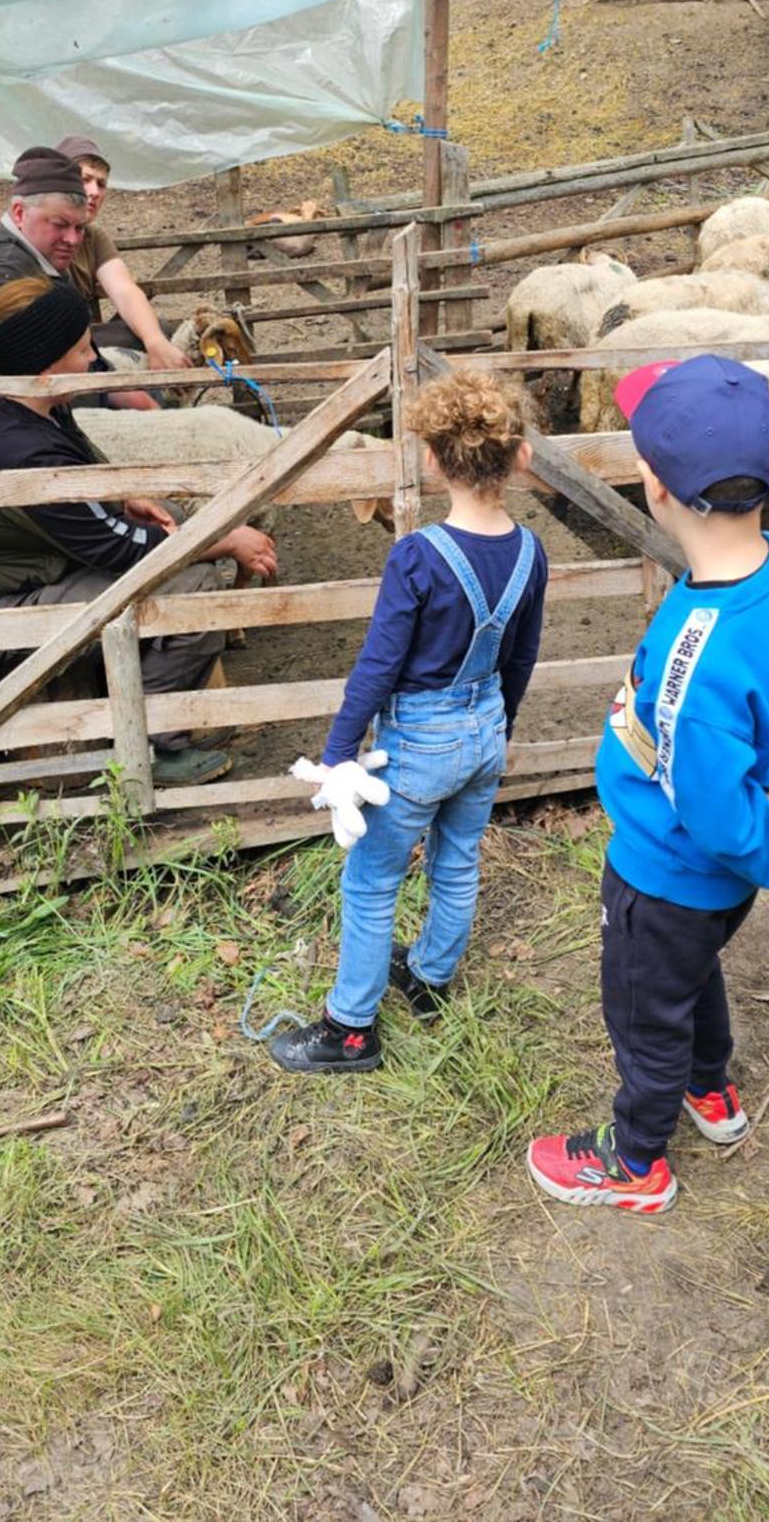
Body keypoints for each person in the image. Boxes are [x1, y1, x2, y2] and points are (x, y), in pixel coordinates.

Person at [526, 355, 769, 1215]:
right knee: (690, 970)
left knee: (643, 1011)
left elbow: (715, 818)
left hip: (662, 870)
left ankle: (636, 1162)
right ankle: (712, 1090)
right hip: (711, 889)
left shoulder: (696, 658)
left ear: (652, 487)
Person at [268, 371, 548, 1075]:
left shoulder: (418, 556)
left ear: (431, 459)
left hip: (418, 744)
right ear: (520, 457)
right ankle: (430, 978)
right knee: (456, 861)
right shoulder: (530, 554)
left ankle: (351, 1030)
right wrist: (497, 729)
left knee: (370, 881)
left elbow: (378, 665)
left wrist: (339, 755)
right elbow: (522, 655)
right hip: (484, 727)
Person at [0, 275, 278, 788]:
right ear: (46, 363)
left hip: (25, 569)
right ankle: (152, 749)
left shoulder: (10, 402)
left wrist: (121, 494)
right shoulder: (23, 454)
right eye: (81, 347)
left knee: (174, 534)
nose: (94, 357)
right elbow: (117, 549)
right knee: (194, 591)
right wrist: (222, 543)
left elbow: (80, 474)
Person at [0, 146, 182, 400]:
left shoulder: (39, 255)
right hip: (24, 416)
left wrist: (117, 392)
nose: (73, 239)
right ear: (20, 213)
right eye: (60, 225)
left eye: (79, 228)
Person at [52, 135, 178, 363]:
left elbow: (124, 290)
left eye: (101, 184)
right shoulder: (40, 232)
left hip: (80, 341)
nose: (94, 192)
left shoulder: (93, 237)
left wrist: (154, 340)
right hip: (44, 348)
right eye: (85, 179)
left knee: (158, 332)